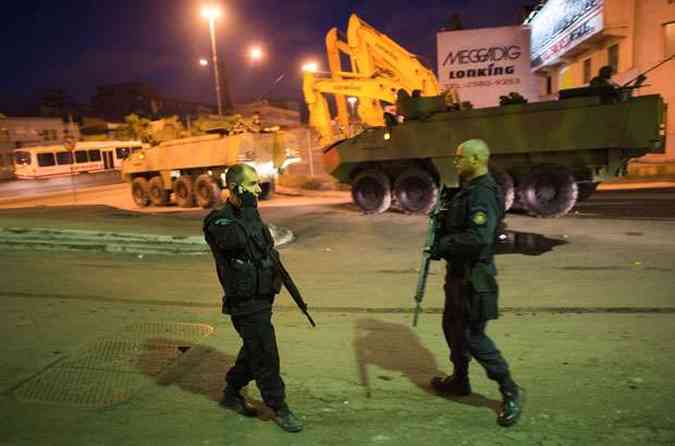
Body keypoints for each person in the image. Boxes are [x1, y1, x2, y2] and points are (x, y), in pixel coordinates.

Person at [429, 139, 524, 427]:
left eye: (460, 158)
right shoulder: (468, 190)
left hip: (475, 278)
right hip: (459, 275)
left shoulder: (482, 193)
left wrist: (443, 245)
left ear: (476, 159)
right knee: (452, 328)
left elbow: (478, 238)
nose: (456, 162)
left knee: (473, 336)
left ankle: (510, 389)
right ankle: (460, 379)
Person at [203, 164, 303, 433]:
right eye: (252, 184)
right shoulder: (219, 221)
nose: (259, 189)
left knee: (254, 350)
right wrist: (247, 207)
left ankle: (231, 392)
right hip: (244, 302)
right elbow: (235, 242)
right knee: (265, 352)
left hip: (262, 296)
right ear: (235, 188)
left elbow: (264, 249)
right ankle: (278, 406)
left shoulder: (251, 216)